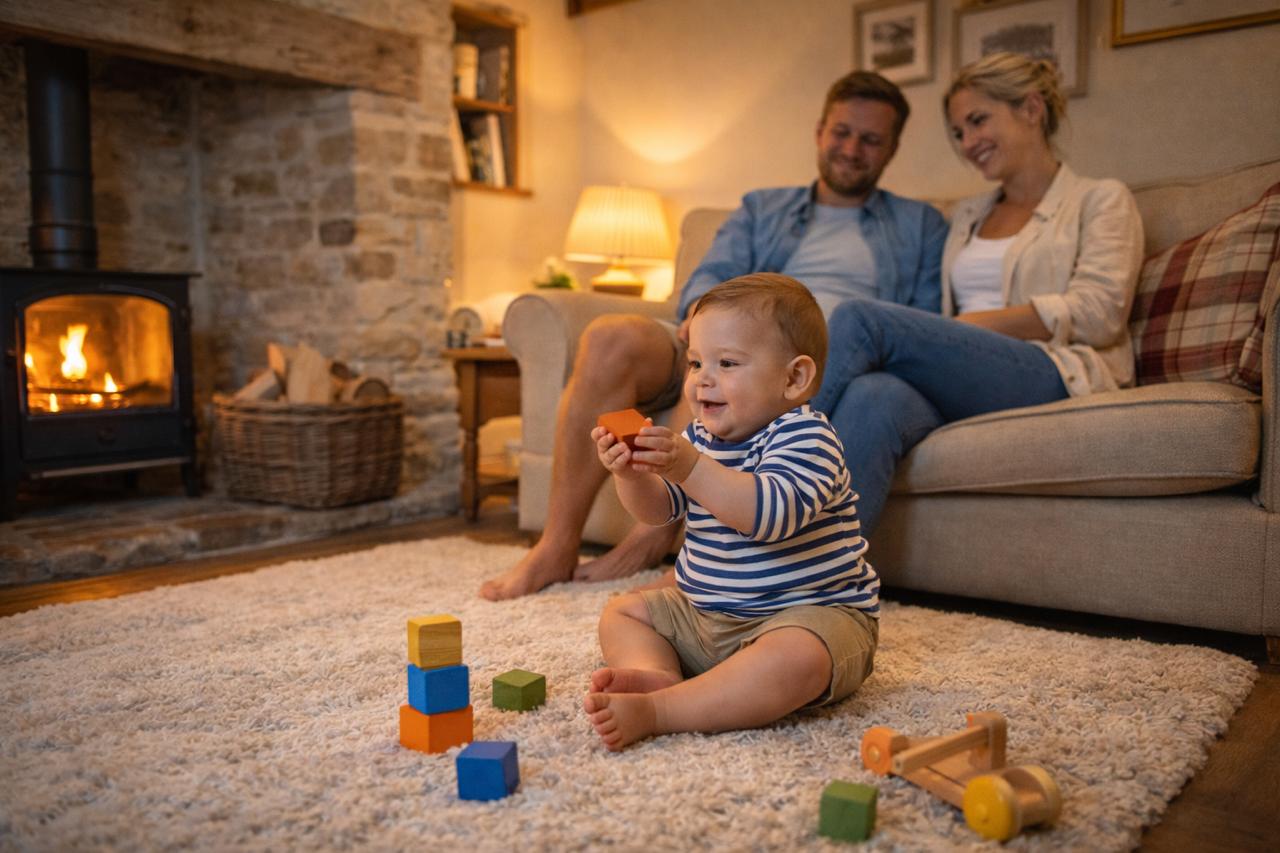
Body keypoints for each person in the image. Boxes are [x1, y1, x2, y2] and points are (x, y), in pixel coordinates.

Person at [479, 70, 947, 600]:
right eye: (842, 132)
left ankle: (657, 539)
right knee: (612, 336)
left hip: (823, 355)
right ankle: (555, 545)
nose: (851, 148)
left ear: (891, 149)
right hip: (727, 331)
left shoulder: (920, 226)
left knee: (719, 373)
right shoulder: (762, 208)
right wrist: (705, 328)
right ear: (820, 132)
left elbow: (919, 323)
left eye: (870, 139)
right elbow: (707, 277)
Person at [812, 52, 1145, 535]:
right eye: (958, 132)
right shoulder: (968, 214)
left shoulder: (1099, 199)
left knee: (860, 319)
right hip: (963, 377)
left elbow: (1100, 313)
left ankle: (748, 477)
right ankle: (808, 581)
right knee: (873, 396)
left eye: (977, 121)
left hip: (1052, 369)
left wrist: (967, 329)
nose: (968, 142)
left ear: (1031, 109)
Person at [582, 275, 879, 750]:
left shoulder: (808, 438)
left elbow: (767, 516)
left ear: (794, 379)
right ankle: (657, 675)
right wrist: (633, 475)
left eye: (727, 363)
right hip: (708, 616)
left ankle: (666, 710)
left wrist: (688, 466)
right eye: (696, 362)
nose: (703, 378)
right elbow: (660, 511)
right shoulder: (700, 440)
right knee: (624, 611)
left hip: (809, 615)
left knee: (797, 658)